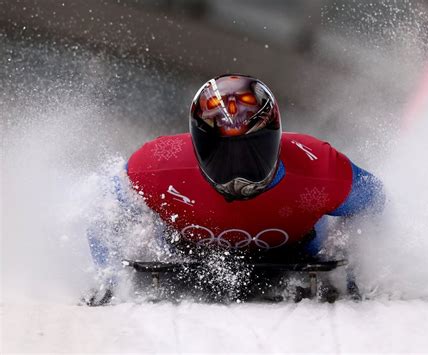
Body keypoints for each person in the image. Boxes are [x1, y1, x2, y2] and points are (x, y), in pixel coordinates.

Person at [85, 74, 385, 306]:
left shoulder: (318, 168)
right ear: (198, 145)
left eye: (250, 153)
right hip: (185, 245)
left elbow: (372, 199)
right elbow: (105, 206)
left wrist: (353, 255)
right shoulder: (157, 165)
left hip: (294, 248)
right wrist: (110, 277)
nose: (236, 174)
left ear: (275, 140)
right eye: (221, 155)